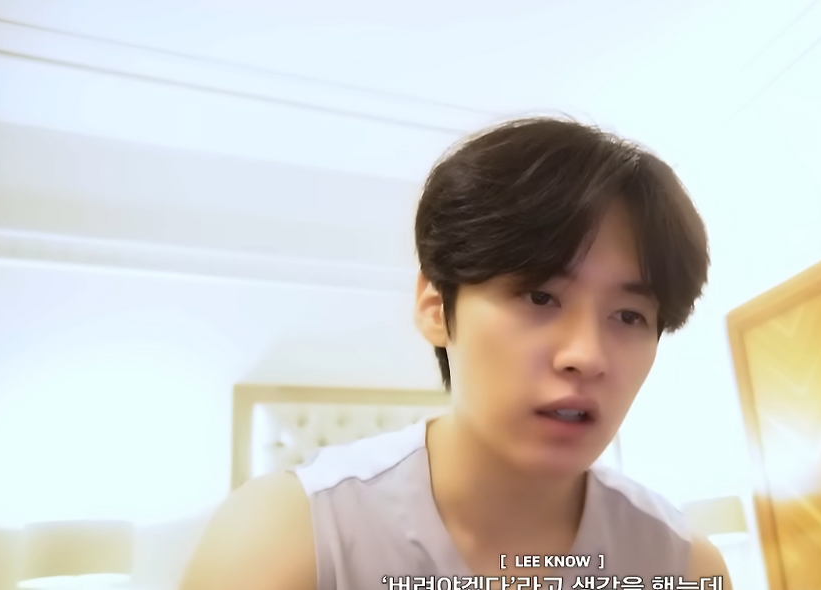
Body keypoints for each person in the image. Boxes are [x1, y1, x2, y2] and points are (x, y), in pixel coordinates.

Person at [179, 117, 731, 590]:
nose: (586, 356)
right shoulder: (288, 537)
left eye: (629, 316)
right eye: (539, 296)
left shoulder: (683, 564)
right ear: (436, 308)